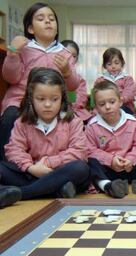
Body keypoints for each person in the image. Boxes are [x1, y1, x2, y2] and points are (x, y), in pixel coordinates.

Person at [0, 2, 81, 160]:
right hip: (21, 102)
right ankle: (7, 168)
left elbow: (73, 87)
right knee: (9, 118)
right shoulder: (23, 49)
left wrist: (66, 72)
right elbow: (11, 77)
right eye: (41, 18)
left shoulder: (65, 54)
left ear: (57, 27)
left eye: (52, 18)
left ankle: (57, 164)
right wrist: (13, 52)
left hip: (54, 104)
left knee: (72, 121)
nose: (48, 21)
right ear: (30, 28)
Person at [0, 67, 89, 208]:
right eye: (41, 99)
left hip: (60, 171)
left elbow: (79, 151)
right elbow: (14, 150)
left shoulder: (73, 121)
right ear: (31, 99)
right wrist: (30, 167)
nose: (48, 105)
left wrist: (49, 163)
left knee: (81, 168)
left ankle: (22, 193)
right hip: (31, 172)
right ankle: (54, 190)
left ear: (62, 99)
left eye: (54, 99)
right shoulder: (22, 122)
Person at [86, 80, 136, 198]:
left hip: (130, 167)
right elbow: (90, 150)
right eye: (102, 104)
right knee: (90, 163)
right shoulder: (92, 126)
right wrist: (111, 160)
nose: (108, 107)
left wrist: (130, 159)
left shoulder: (132, 122)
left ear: (120, 102)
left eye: (112, 102)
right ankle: (107, 186)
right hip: (108, 170)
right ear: (96, 108)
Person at [94, 48, 136, 114]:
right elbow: (96, 95)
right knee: (96, 114)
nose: (113, 66)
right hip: (106, 105)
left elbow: (130, 93)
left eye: (116, 63)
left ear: (122, 63)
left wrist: (120, 100)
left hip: (124, 107)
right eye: (109, 64)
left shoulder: (127, 78)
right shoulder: (100, 80)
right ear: (105, 66)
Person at [61, 40, 92, 123]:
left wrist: (71, 105)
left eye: (73, 56)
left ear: (77, 59)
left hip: (76, 112)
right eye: (66, 54)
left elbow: (81, 98)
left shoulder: (80, 79)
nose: (70, 58)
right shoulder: (52, 76)